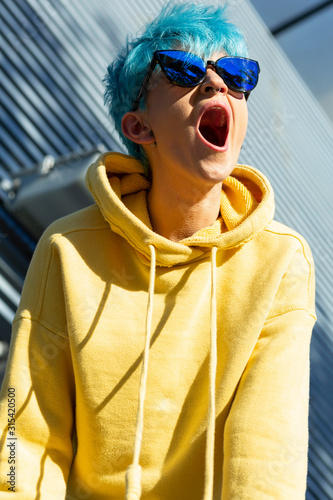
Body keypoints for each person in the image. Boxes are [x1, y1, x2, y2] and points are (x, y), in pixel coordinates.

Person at [0, 2, 316, 499]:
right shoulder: (67, 249)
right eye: (184, 70)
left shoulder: (279, 263)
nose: (216, 85)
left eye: (237, 75)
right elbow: (23, 440)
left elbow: (266, 460)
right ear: (139, 128)